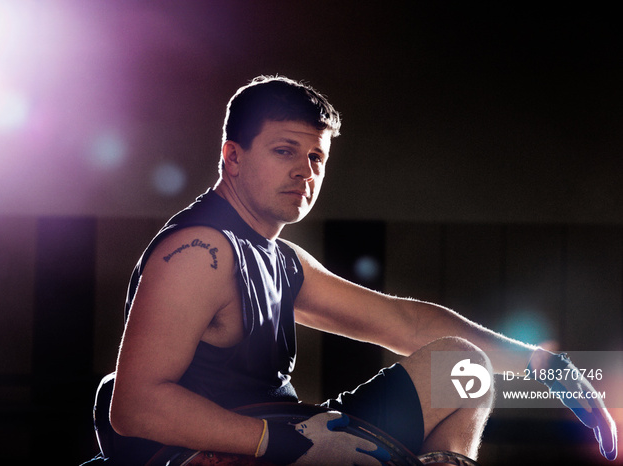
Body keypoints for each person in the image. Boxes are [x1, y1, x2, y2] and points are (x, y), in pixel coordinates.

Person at [101, 76, 616, 465]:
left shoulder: (281, 259)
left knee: (464, 371)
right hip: (225, 455)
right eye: (285, 151)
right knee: (462, 367)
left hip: (289, 437)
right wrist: (285, 441)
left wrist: (544, 366)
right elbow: (134, 406)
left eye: (317, 157)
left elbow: (403, 324)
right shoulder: (199, 251)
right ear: (231, 158)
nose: (305, 171)